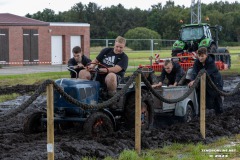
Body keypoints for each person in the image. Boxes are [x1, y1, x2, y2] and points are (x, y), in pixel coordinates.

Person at [188, 47, 224, 114]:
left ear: (206, 55)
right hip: (204, 82)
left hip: (215, 83)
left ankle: (220, 113)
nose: (200, 58)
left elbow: (205, 73)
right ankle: (199, 113)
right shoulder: (197, 62)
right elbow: (194, 71)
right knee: (200, 96)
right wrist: (192, 80)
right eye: (199, 56)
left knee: (216, 98)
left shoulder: (211, 63)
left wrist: (194, 81)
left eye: (202, 56)